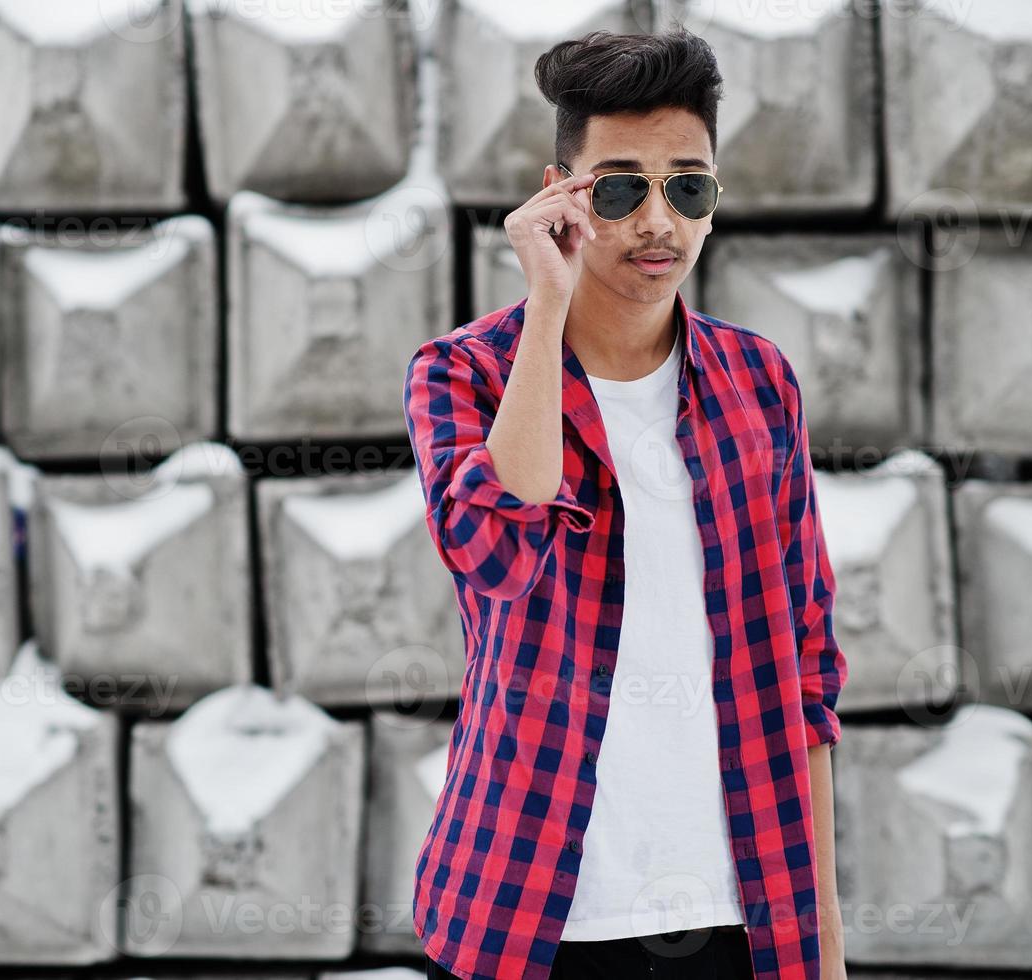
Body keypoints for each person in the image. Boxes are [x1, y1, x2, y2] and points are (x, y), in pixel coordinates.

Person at [403, 27, 848, 980]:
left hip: (740, 913)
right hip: (528, 912)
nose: (658, 220)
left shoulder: (759, 381)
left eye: (688, 186)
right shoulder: (463, 373)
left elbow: (806, 671)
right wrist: (546, 306)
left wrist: (824, 948)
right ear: (561, 189)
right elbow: (497, 554)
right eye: (620, 187)